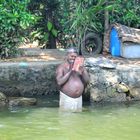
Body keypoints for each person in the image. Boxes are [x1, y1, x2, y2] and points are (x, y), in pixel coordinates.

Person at [56, 47, 90, 112]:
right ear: (67, 56)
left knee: (77, 119)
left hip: (79, 98)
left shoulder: (79, 67)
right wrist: (70, 71)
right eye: (71, 56)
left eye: (75, 57)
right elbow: (59, 82)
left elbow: (87, 81)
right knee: (67, 119)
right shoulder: (61, 67)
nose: (73, 58)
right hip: (67, 98)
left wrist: (83, 71)